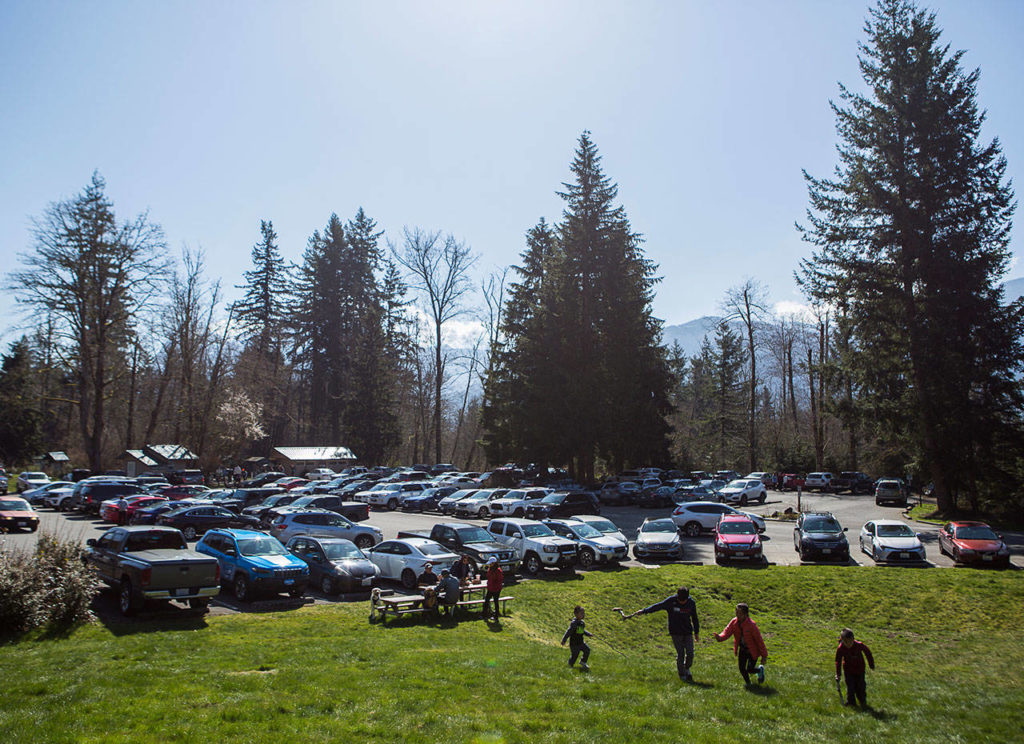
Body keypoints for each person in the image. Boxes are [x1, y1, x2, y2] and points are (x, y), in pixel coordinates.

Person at [623, 586, 700, 681]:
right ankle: (682, 674)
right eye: (680, 600)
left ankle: (686, 668)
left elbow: (695, 618)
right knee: (680, 653)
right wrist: (644, 611)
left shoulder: (691, 603)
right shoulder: (671, 601)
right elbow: (658, 606)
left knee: (690, 653)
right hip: (675, 632)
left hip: (687, 631)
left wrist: (696, 632)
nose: (682, 602)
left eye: (683, 601)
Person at [714, 603, 768, 685]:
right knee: (742, 668)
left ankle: (760, 670)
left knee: (750, 669)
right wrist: (720, 637)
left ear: (745, 614)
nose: (737, 615)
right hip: (742, 649)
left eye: (739, 613)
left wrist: (764, 656)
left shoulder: (751, 625)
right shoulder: (734, 622)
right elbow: (727, 631)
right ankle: (748, 683)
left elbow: (759, 640)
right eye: (736, 612)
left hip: (752, 651)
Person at [835, 628, 875, 707]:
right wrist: (838, 673)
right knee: (850, 688)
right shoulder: (841, 648)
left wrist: (871, 664)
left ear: (853, 639)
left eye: (850, 642)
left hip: (860, 670)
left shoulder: (859, 645)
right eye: (846, 642)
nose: (848, 644)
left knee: (861, 687)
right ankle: (851, 703)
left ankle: (862, 702)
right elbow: (838, 661)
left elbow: (868, 653)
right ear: (842, 640)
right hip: (848, 670)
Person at [561, 605, 593, 670]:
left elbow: (582, 631)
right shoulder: (574, 623)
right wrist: (564, 639)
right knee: (575, 655)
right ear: (576, 614)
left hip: (581, 642)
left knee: (587, 650)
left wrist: (588, 634)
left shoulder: (582, 622)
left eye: (584, 613)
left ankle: (583, 662)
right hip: (574, 644)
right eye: (581, 613)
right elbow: (569, 632)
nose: (583, 615)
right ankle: (570, 665)